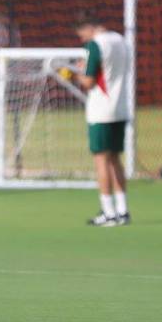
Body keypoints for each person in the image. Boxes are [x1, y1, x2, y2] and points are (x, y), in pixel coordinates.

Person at [59, 17, 132, 226]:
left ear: (88, 27)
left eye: (82, 34)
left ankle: (108, 212)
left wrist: (72, 75)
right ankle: (122, 210)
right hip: (120, 106)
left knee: (101, 160)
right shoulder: (121, 40)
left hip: (101, 109)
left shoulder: (96, 44)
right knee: (115, 159)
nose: (82, 39)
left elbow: (89, 81)